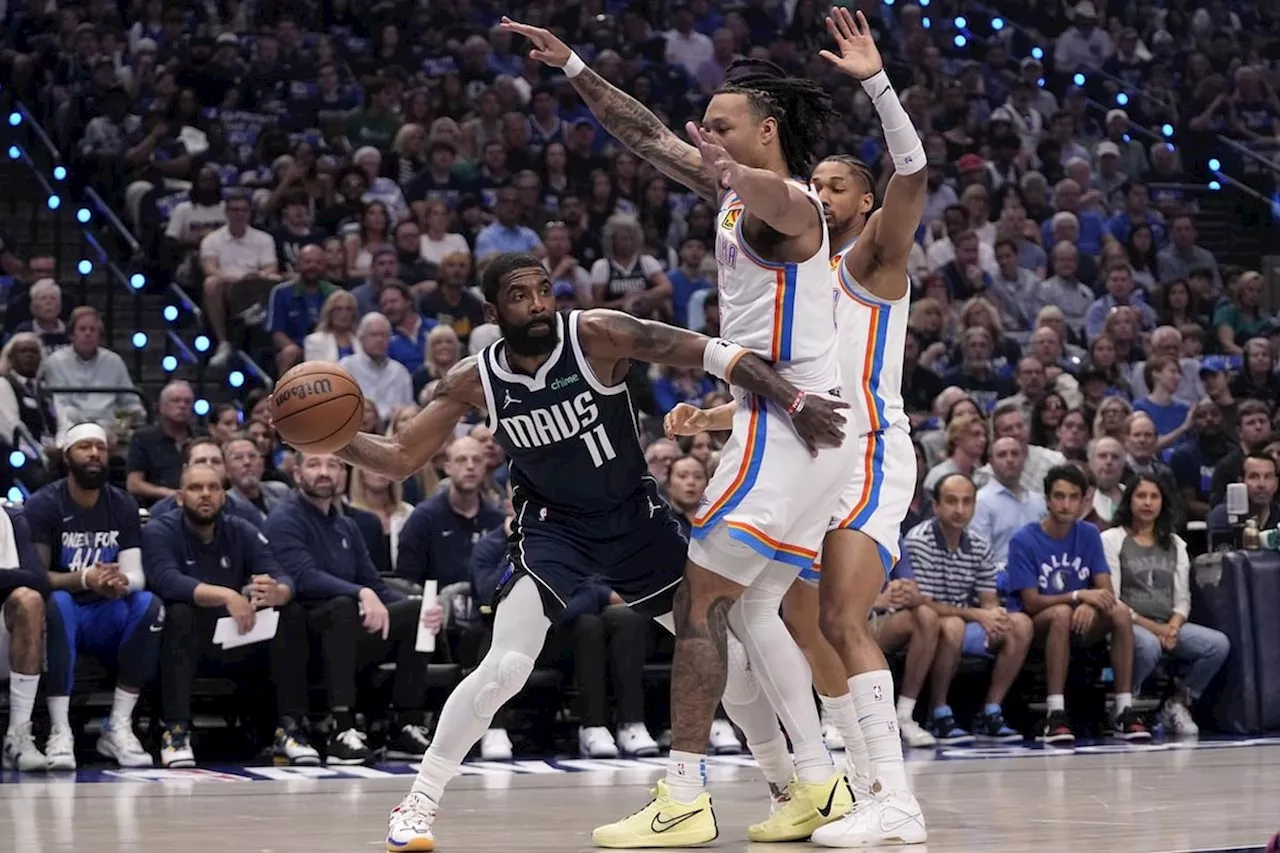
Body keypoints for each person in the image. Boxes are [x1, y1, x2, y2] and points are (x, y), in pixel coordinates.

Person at [322, 253, 843, 851]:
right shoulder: (475, 378)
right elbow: (397, 457)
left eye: (545, 290)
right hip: (553, 529)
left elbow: (711, 352)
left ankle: (785, 788)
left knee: (727, 660)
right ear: (493, 312)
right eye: (521, 296)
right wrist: (333, 438)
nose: (539, 303)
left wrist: (794, 401)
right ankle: (418, 803)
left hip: (633, 518)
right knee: (507, 665)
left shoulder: (598, 333)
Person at [502, 10, 868, 846]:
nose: (706, 134)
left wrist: (740, 172)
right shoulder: (735, 188)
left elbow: (781, 195)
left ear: (766, 131)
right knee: (758, 608)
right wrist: (573, 67)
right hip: (784, 422)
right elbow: (648, 133)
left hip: (790, 425)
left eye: (726, 125)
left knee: (700, 598)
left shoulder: (792, 205)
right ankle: (818, 783)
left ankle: (685, 795)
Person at [656, 8, 929, 843]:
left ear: (862, 200)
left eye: (843, 185)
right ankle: (833, 776)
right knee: (782, 618)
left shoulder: (878, 259)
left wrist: (876, 82)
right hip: (809, 449)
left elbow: (914, 169)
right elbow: (788, 372)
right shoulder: (797, 267)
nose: (829, 194)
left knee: (842, 620)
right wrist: (713, 408)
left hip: (871, 450)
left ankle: (893, 797)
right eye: (826, 184)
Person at [142, 464, 317, 768]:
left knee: (291, 612)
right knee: (180, 613)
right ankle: (176, 731)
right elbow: (165, 580)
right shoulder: (161, 529)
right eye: (196, 488)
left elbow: (280, 572)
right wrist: (227, 595)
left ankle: (290, 729)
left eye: (213, 488)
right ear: (181, 498)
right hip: (187, 642)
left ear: (224, 496)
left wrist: (279, 591)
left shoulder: (240, 529)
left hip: (236, 635)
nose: (205, 494)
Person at [24, 423, 161, 770]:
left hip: (106, 615)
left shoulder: (123, 505)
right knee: (58, 603)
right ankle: (59, 730)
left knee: (149, 605)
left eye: (100, 447)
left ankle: (118, 725)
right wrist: (87, 577)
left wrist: (119, 583)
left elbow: (137, 576)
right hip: (64, 616)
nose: (94, 454)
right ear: (68, 456)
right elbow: (39, 577)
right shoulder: (44, 504)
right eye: (84, 447)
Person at [1007, 464, 1149, 744]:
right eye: (1059, 496)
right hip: (1037, 626)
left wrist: (1092, 603)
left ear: (1084, 500)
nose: (1066, 504)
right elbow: (1031, 602)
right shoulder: (1023, 539)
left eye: (1073, 497)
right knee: (1060, 613)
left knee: (1119, 611)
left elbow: (1105, 590)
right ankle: (1055, 714)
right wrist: (1078, 596)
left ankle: (1123, 708)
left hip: (1081, 622)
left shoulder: (1088, 533)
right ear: (1047, 500)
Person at [904, 473, 1032, 744]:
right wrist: (979, 614)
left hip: (965, 621)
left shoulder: (979, 545)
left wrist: (994, 616)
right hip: (928, 624)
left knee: (1020, 623)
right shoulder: (919, 540)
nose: (959, 509)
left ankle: (991, 711)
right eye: (951, 501)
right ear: (936, 506)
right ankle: (938, 712)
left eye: (967, 502)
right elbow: (923, 603)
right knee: (953, 625)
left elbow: (988, 599)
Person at [1102, 475, 1230, 736]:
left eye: (1154, 496)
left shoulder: (1175, 543)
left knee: (1217, 645)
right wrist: (1157, 630)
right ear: (1129, 501)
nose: (1147, 503)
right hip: (1127, 625)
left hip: (1166, 624)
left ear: (1163, 502)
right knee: (1148, 646)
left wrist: (1172, 627)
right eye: (1141, 496)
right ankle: (1123, 704)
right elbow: (1113, 599)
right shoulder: (1111, 539)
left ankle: (1178, 703)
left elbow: (1182, 599)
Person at [1, 504, 52, 771]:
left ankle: (17, 736)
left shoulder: (9, 517)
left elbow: (38, 580)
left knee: (30, 601)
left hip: (3, 630)